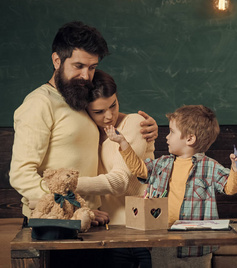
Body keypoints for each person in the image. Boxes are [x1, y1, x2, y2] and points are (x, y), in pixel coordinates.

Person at [9, 21, 158, 228]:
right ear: (56, 60)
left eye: (92, 67)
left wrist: (143, 124)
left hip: (92, 218)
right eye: (78, 66)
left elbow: (102, 118)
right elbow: (21, 174)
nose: (86, 76)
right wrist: (71, 207)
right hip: (55, 221)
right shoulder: (39, 103)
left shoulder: (78, 97)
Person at [105, 104, 237, 267]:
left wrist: (236, 169)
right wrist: (122, 142)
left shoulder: (210, 167)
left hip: (196, 246)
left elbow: (231, 188)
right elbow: (139, 169)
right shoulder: (163, 163)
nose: (167, 136)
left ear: (190, 139)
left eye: (172, 132)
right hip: (163, 240)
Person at [76, 69, 153, 267]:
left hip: (143, 231)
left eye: (113, 105)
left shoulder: (134, 123)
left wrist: (68, 184)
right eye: (99, 112)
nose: (109, 116)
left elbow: (120, 183)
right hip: (106, 234)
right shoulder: (90, 135)